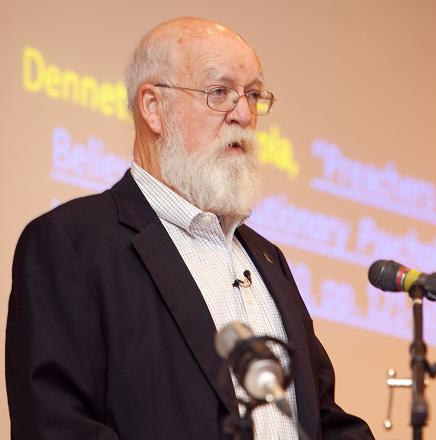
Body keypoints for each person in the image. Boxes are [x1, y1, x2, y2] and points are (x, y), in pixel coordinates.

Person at [6, 17, 374, 440]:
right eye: (219, 92)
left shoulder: (267, 259)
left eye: (253, 95)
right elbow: (54, 426)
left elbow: (319, 418)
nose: (243, 114)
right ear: (153, 107)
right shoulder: (70, 243)